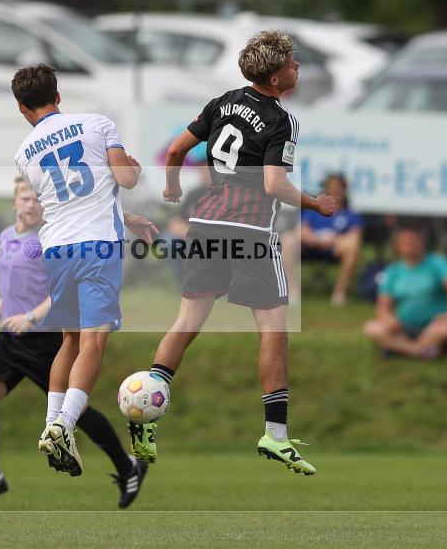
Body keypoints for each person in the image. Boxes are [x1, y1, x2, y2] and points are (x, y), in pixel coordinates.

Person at [128, 31, 336, 475]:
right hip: (249, 228)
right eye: (293, 63)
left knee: (187, 320)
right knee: (273, 328)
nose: (298, 67)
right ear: (277, 76)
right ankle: (275, 435)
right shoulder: (283, 120)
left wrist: (170, 185)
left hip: (205, 224)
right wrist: (316, 203)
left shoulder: (223, 102)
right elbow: (274, 185)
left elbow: (179, 149)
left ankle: (146, 414)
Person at [0, 176, 156, 508]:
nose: (30, 204)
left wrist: (32, 317)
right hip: (10, 338)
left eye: (36, 200)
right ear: (14, 202)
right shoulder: (6, 237)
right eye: (24, 198)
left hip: (42, 339)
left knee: (78, 411)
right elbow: (12, 286)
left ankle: (128, 467)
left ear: (45, 206)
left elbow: (58, 294)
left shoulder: (50, 241)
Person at [11, 64, 143, 477]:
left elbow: (69, 199)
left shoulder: (24, 153)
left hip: (57, 249)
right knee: (94, 342)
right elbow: (124, 178)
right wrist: (133, 168)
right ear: (59, 95)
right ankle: (65, 425)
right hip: (98, 245)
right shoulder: (97, 123)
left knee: (68, 341)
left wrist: (128, 216)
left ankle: (52, 423)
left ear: (21, 108)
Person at [362, 225, 447, 360]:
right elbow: (383, 307)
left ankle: (399, 348)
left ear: (422, 242)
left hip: (434, 325)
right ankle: (419, 351)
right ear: (397, 246)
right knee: (372, 328)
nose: (410, 244)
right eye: (405, 241)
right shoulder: (393, 271)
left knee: (446, 330)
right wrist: (388, 318)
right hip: (404, 327)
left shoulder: (437, 263)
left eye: (413, 240)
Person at [296, 173, 363, 306]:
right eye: (331, 187)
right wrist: (313, 238)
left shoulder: (351, 215)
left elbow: (355, 235)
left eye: (338, 187)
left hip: (335, 247)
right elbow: (302, 229)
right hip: (311, 245)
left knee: (353, 246)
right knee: (288, 240)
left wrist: (336, 239)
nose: (335, 191)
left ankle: (339, 294)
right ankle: (294, 292)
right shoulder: (312, 210)